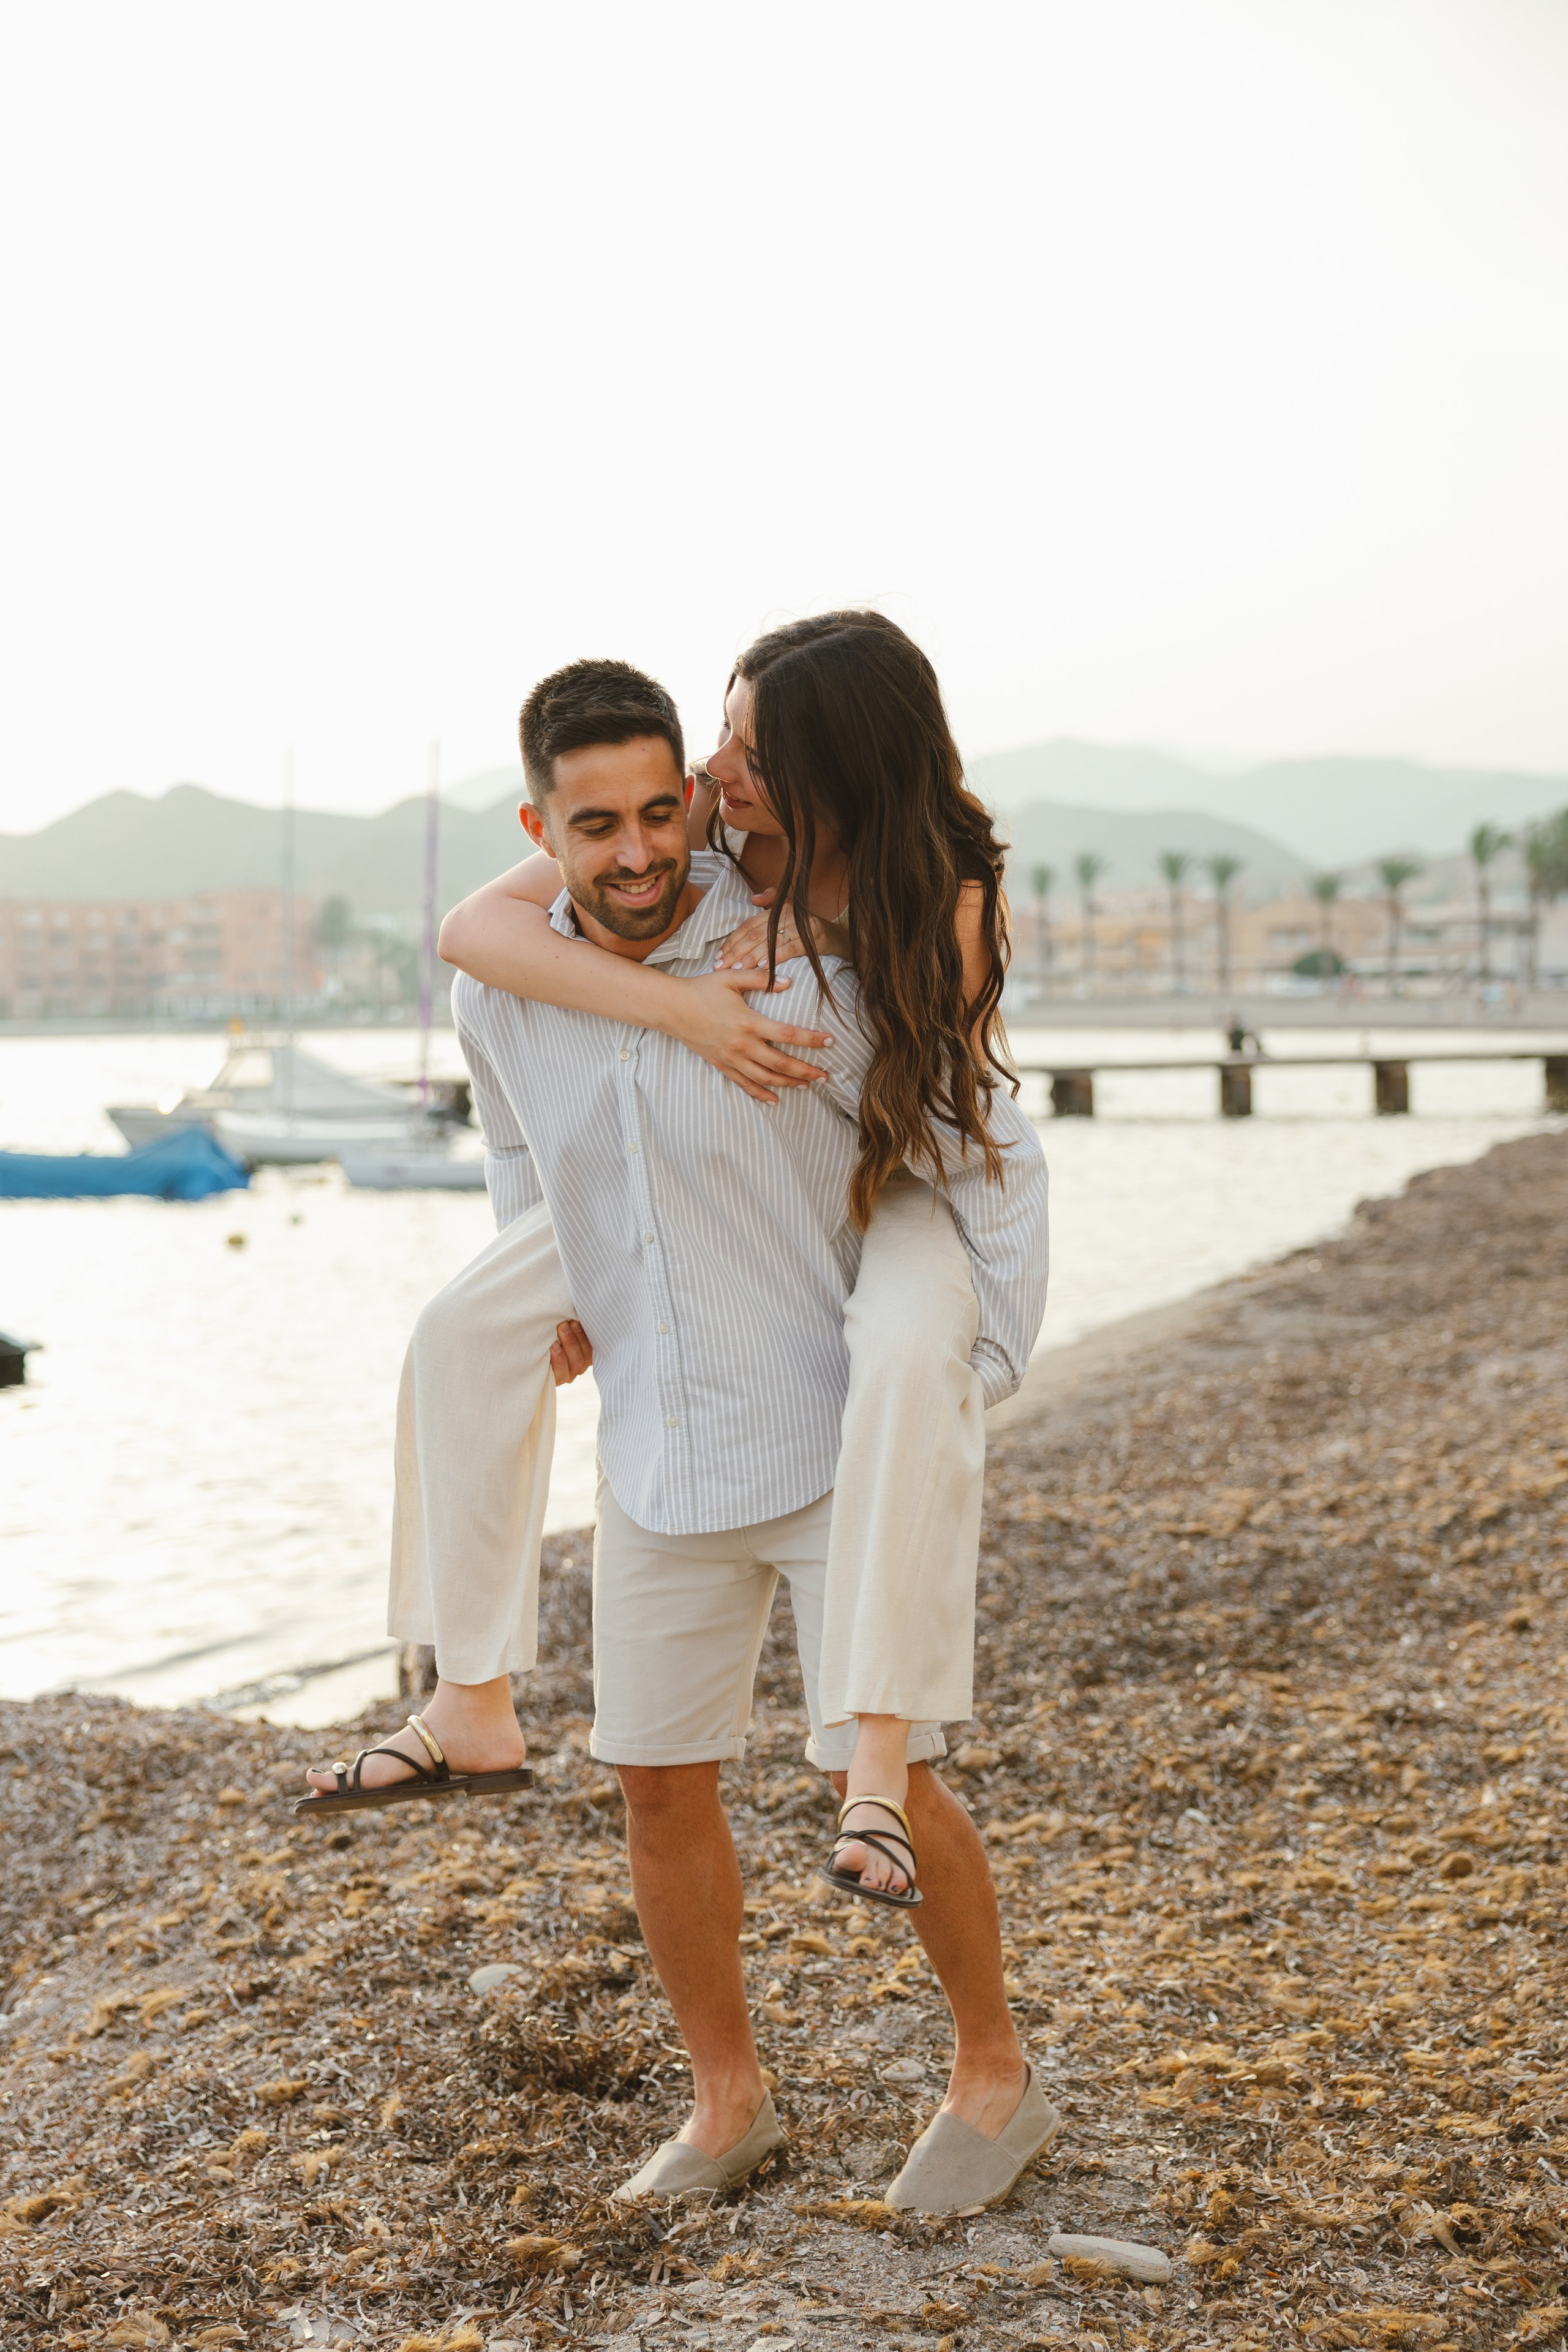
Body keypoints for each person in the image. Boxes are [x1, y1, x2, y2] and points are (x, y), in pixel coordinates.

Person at [304, 656, 1054, 2211]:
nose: (642, 849)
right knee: (655, 1780)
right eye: (599, 825)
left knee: (888, 1775)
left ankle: (994, 2073)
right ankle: (730, 2104)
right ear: (542, 828)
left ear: (703, 812)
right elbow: (523, 1152)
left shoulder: (796, 945)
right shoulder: (499, 985)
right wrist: (557, 1283)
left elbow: (924, 1111)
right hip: (656, 1430)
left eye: (670, 806)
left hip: (833, 1418)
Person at [371, 611, 1020, 1910]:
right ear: (543, 830)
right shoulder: (643, 899)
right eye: (721, 739)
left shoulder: (856, 898)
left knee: (901, 1357)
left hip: (898, 1188)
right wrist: (679, 1010)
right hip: (658, 1377)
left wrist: (779, 962)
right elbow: (477, 967)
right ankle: (466, 1688)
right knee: (454, 1335)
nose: (718, 782)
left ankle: (882, 1772)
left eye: (737, 756)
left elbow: (934, 1103)